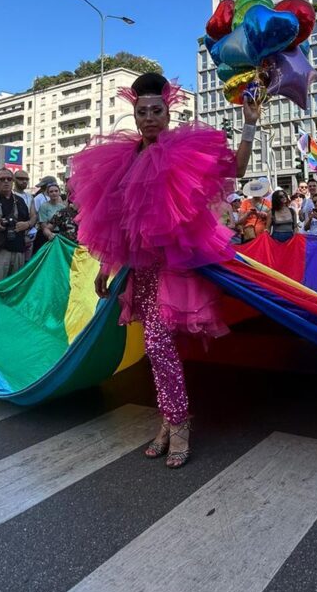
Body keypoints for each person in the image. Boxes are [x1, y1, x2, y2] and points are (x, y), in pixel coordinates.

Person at [71, 71, 259, 469]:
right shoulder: (122, 159)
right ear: (135, 115)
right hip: (141, 270)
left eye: (157, 111)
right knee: (158, 350)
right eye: (143, 112)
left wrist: (250, 122)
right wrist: (107, 266)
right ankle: (169, 420)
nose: (150, 118)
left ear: (168, 113)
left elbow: (236, 170)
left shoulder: (184, 149)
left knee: (157, 346)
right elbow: (118, 221)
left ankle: (177, 423)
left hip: (175, 267)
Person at [236, 177, 271, 242]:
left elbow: (272, 219)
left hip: (263, 235)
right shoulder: (245, 202)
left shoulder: (268, 203)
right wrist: (248, 213)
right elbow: (239, 222)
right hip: (249, 235)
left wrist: (265, 215)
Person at [34, 183, 65, 252]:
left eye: (56, 191)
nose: (54, 193)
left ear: (59, 192)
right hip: (47, 236)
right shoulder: (44, 206)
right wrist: (50, 235)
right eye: (51, 191)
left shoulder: (63, 207)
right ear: (48, 194)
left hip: (60, 237)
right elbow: (43, 226)